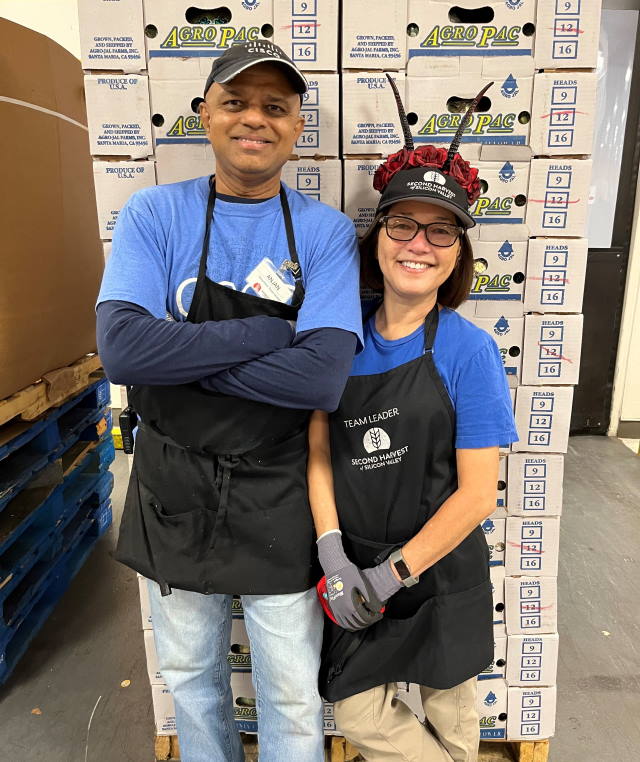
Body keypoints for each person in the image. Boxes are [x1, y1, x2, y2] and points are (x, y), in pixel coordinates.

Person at [96, 41, 363, 762]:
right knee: (190, 679)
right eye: (236, 102)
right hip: (172, 485)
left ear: (297, 126)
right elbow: (124, 352)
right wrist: (271, 331)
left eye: (275, 107)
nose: (255, 120)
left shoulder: (325, 233)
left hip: (278, 488)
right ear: (204, 115)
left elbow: (320, 380)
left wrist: (175, 362)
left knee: (288, 690)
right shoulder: (154, 214)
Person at [307, 80, 518, 762]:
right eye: (402, 224)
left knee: (454, 728)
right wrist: (335, 555)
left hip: (441, 574)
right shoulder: (336, 340)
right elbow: (317, 452)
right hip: (356, 561)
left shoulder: (469, 350)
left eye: (440, 230)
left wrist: (394, 573)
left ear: (459, 252)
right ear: (378, 237)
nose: (418, 244)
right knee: (359, 714)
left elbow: (479, 494)